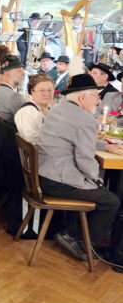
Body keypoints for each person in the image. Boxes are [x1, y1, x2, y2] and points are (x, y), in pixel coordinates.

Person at [37, 73, 123, 264]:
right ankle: (80, 242)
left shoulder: (58, 109)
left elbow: (74, 139)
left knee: (98, 191)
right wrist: (97, 181)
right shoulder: (84, 119)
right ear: (83, 97)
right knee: (110, 200)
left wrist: (106, 147)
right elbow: (85, 160)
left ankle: (74, 233)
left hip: (43, 175)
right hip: (59, 181)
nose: (98, 100)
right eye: (96, 96)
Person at [15, 74, 54, 144]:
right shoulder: (27, 112)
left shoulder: (50, 110)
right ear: (32, 92)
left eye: (50, 90)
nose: (47, 94)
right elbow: (32, 140)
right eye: (42, 90)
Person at [0, 55, 26, 125]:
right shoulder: (15, 97)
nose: (23, 73)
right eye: (19, 70)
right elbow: (24, 124)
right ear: (7, 73)